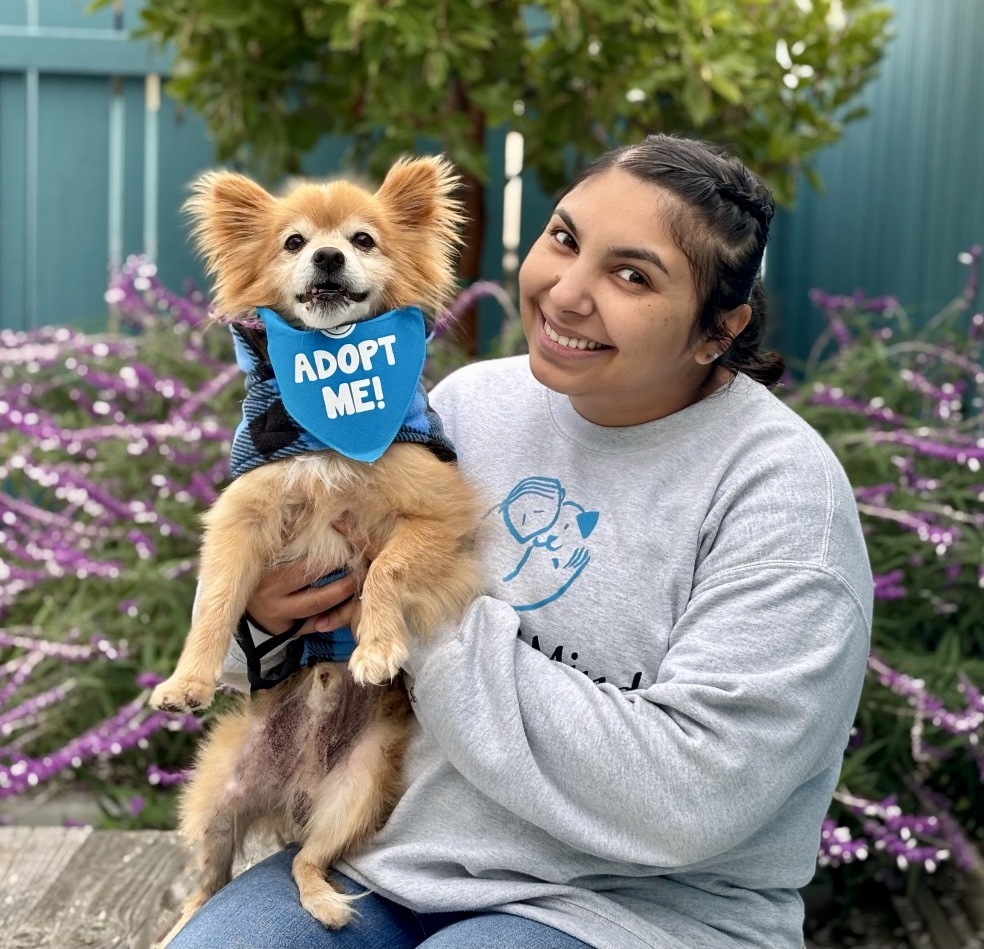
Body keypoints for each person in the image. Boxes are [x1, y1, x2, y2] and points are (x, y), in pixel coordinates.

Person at [167, 135, 873, 949]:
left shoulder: (782, 499)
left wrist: (406, 616)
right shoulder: (469, 403)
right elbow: (283, 605)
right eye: (565, 240)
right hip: (387, 853)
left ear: (720, 329)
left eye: (632, 275)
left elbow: (693, 796)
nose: (567, 293)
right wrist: (262, 614)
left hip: (635, 909)